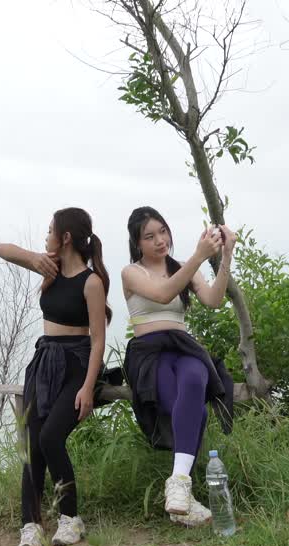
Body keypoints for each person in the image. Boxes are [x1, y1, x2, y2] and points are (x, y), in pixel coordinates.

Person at [0, 207, 111, 546]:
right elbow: (1, 248)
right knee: (32, 445)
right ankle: (30, 524)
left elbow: (98, 339)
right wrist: (36, 257)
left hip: (76, 363)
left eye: (50, 232)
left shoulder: (91, 282)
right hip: (45, 361)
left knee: (51, 437)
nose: (45, 238)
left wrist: (89, 387)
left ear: (66, 238)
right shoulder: (50, 267)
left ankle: (70, 518)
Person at [120, 207, 235, 528]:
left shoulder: (185, 266)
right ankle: (185, 493)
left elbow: (213, 300)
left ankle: (179, 485)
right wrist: (198, 257)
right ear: (137, 243)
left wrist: (225, 256)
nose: (160, 240)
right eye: (149, 236)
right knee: (194, 412)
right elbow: (163, 292)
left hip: (182, 346)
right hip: (149, 353)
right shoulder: (132, 273)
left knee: (197, 376)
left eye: (162, 231)